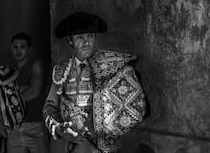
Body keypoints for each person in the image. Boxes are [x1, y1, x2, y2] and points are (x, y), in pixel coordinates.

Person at [43, 12, 147, 153]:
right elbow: (49, 106)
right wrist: (59, 129)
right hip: (69, 144)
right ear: (69, 41)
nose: (86, 42)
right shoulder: (61, 70)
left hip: (101, 145)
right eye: (80, 37)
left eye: (90, 36)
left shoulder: (112, 65)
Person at [7, 32, 49, 153]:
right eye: (15, 47)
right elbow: (4, 95)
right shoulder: (10, 70)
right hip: (14, 126)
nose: (18, 50)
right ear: (11, 48)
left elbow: (34, 92)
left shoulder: (35, 65)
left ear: (29, 49)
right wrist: (23, 89)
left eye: (22, 47)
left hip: (35, 124)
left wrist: (14, 95)